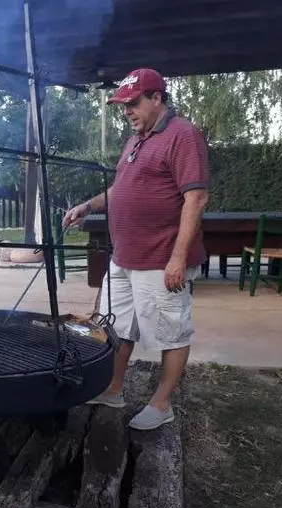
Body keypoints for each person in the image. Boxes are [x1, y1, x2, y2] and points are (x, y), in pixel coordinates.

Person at [62, 68, 210, 431]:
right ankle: (112, 389)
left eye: (133, 103)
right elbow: (120, 189)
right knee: (116, 327)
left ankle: (162, 404)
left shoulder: (183, 135)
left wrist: (177, 258)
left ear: (157, 98)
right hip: (123, 257)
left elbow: (196, 198)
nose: (127, 111)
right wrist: (88, 206)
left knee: (171, 332)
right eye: (123, 105)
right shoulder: (135, 141)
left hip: (160, 259)